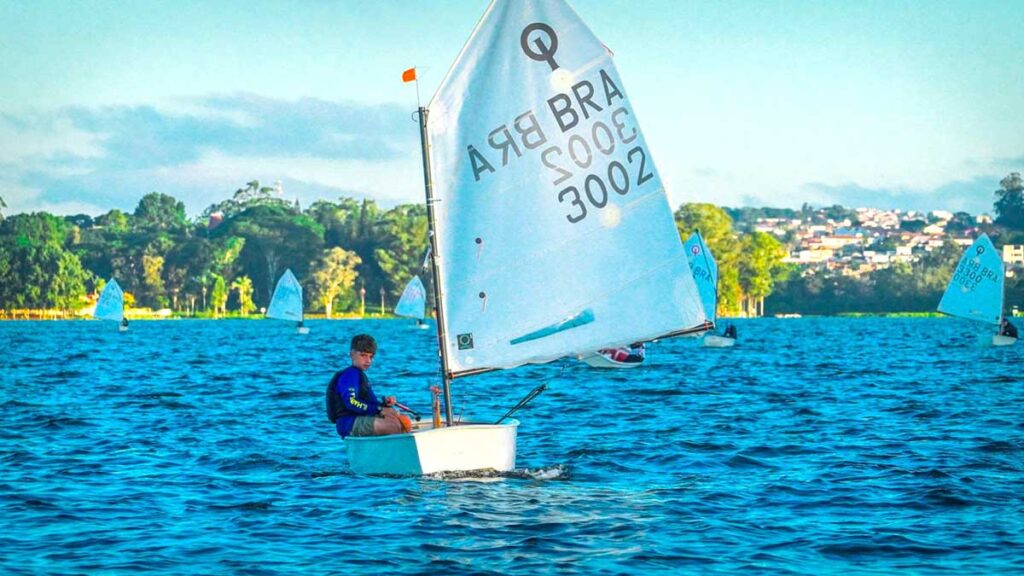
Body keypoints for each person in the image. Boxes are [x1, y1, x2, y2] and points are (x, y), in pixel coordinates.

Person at [325, 334, 409, 439]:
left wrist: (385, 405)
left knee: (401, 419)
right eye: (363, 355)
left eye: (371, 356)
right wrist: (379, 409)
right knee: (392, 426)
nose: (368, 360)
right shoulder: (350, 375)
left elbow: (369, 404)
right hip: (349, 423)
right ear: (352, 355)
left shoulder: (360, 375)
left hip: (359, 418)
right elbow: (352, 402)